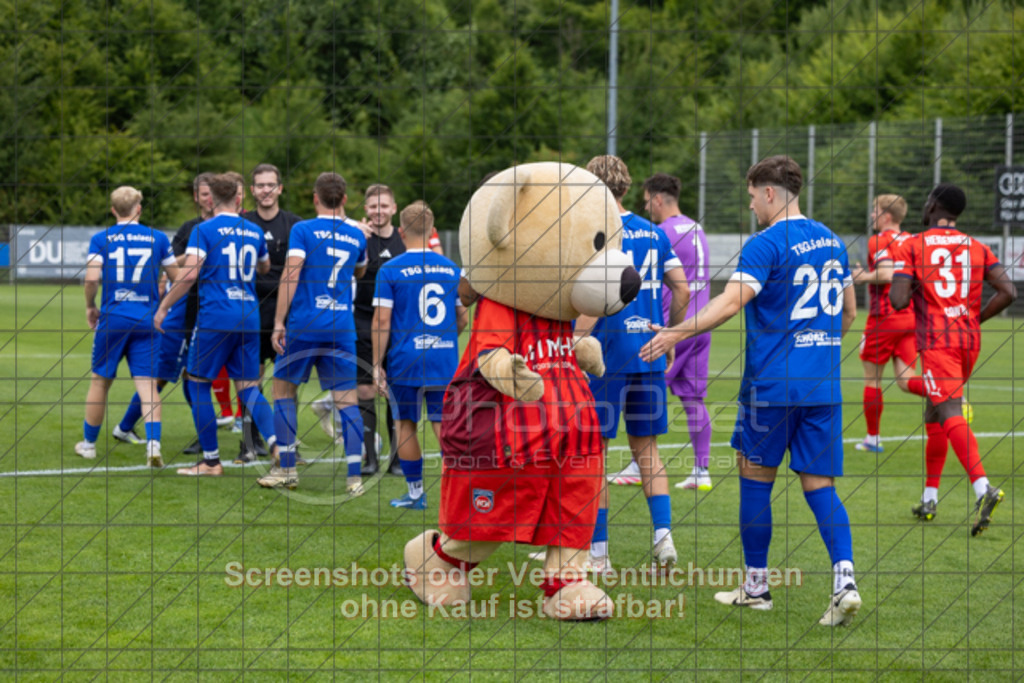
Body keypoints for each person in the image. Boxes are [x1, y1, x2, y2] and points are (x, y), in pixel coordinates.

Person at [642, 155, 861, 627]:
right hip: (822, 387)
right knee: (820, 486)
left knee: (755, 478)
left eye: (751, 197)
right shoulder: (832, 240)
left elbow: (728, 303)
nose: (750, 207)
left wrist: (675, 332)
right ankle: (845, 581)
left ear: (769, 193)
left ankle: (756, 587)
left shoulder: (766, 243)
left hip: (772, 387)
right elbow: (848, 312)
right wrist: (818, 350)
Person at [576, 155, 690, 575]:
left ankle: (600, 554)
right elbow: (682, 289)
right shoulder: (654, 233)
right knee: (648, 450)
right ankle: (663, 537)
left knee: (595, 455)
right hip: (648, 350)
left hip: (605, 356)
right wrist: (670, 334)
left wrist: (573, 341)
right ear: (626, 188)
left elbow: (589, 297)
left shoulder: (593, 231)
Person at [890, 183, 1017, 534]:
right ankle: (930, 497)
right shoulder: (977, 247)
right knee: (934, 411)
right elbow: (1009, 292)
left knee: (948, 410)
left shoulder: (912, 245)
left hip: (938, 342)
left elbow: (899, 301)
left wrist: (906, 279)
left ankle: (983, 487)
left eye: (926, 200)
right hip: (968, 341)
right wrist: (974, 318)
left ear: (933, 205)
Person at [154, 173, 278, 476]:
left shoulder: (204, 229)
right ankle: (279, 447)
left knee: (197, 383)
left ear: (212, 199)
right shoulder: (254, 230)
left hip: (216, 316)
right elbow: (264, 266)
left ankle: (211, 462)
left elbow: (190, 274)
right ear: (238, 198)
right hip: (248, 315)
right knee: (248, 387)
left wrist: (164, 306)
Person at [257, 172, 368, 493]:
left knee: (282, 392)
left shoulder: (303, 229)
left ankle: (287, 470)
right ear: (344, 199)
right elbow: (361, 269)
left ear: (315, 198)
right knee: (347, 401)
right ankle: (354, 478)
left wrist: (279, 322)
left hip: (306, 323)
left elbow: (291, 275)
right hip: (341, 327)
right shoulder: (357, 235)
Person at [112, 173, 220, 452]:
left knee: (194, 376)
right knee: (166, 375)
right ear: (196, 197)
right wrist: (198, 252)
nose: (210, 199)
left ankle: (206, 436)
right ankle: (125, 427)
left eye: (213, 193)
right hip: (184, 313)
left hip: (210, 312)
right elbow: (170, 263)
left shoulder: (226, 226)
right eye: (204, 194)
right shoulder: (190, 228)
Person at [372, 201, 468, 509]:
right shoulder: (451, 268)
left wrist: (376, 364)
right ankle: (462, 497)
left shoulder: (390, 269)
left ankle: (415, 495)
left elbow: (382, 320)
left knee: (405, 424)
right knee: (445, 427)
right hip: (443, 361)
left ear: (401, 232)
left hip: (406, 361)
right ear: (432, 231)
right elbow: (462, 318)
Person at [76, 186, 179, 467]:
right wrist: (164, 306)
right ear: (139, 209)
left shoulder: (101, 238)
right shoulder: (158, 238)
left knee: (100, 381)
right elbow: (178, 277)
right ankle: (153, 445)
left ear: (113, 210)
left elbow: (91, 279)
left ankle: (88, 445)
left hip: (114, 318)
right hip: (147, 319)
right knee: (148, 386)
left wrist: (90, 305)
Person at [311, 183, 404, 475]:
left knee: (395, 393)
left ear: (394, 208)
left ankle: (397, 460)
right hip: (362, 320)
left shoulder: (402, 241)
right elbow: (331, 226)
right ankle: (370, 458)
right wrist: (354, 226)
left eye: (384, 206)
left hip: (396, 324)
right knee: (364, 390)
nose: (378, 211)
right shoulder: (356, 236)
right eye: (373, 206)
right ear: (365, 209)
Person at [643, 172, 714, 491]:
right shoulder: (696, 227)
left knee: (645, 392)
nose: (647, 208)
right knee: (693, 399)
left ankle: (638, 464)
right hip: (702, 324)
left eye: (647, 202)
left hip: (675, 324)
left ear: (658, 198)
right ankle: (701, 471)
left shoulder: (662, 233)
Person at [233, 163, 303, 464]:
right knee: (251, 378)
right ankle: (250, 444)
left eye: (270, 185)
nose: (265, 190)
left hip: (286, 313)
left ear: (280, 188)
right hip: (250, 311)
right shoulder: (241, 223)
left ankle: (288, 444)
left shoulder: (294, 225)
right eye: (260, 185)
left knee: (287, 383)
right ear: (252, 190)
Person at [849, 194, 927, 452]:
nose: (872, 215)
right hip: (911, 317)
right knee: (906, 380)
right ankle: (949, 394)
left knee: (872, 379)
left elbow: (886, 273)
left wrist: (862, 277)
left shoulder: (880, 240)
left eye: (875, 210)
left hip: (885, 317)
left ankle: (872, 439)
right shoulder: (913, 240)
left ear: (887, 216)